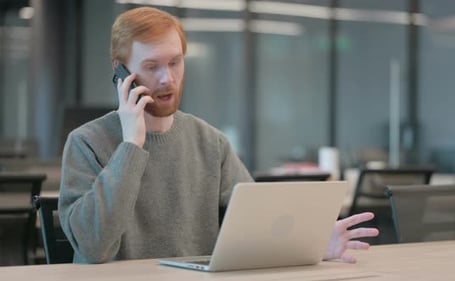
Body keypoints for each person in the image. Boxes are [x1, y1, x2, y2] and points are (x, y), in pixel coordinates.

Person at [58, 6, 378, 264]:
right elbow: (94, 248)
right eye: (152, 66)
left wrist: (310, 245)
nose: (167, 78)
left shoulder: (210, 143)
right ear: (120, 70)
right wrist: (130, 145)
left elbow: (259, 228)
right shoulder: (87, 143)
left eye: (175, 62)